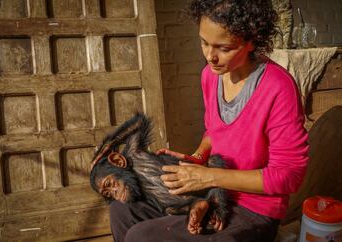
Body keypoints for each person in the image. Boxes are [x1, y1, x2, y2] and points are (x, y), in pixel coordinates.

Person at [109, 0, 309, 241]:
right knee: (123, 209)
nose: (210, 56)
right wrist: (197, 158)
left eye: (223, 48)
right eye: (204, 43)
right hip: (211, 191)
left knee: (142, 237)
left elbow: (288, 176)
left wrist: (208, 176)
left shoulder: (277, 87)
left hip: (253, 209)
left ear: (251, 40)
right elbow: (214, 132)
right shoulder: (210, 76)